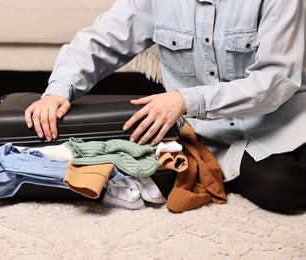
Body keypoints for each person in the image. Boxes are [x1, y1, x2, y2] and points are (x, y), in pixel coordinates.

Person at [25, 0, 306, 211]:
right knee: (278, 187)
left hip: (282, 117)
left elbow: (276, 79)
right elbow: (102, 41)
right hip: (208, 132)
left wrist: (186, 99)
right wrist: (58, 90)